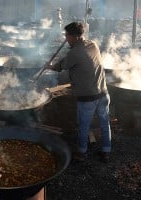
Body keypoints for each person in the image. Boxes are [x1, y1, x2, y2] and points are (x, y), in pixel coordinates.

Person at [45, 22, 112, 163]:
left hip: (88, 96)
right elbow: (71, 57)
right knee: (105, 123)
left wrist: (50, 66)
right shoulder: (92, 44)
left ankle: (82, 153)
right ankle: (106, 151)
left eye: (66, 35)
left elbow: (61, 66)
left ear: (73, 36)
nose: (65, 38)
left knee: (83, 125)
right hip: (103, 91)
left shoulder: (74, 52)